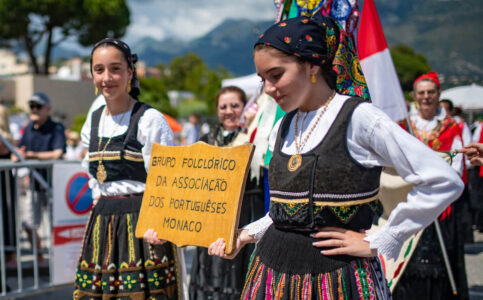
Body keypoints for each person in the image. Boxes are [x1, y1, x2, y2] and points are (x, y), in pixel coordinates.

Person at [207, 13, 463, 299]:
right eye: (262, 79)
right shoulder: (283, 126)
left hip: (338, 277)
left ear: (311, 65)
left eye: (276, 75)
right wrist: (245, 235)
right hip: (272, 274)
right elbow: (286, 212)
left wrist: (383, 238)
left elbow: (443, 180)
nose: (267, 89)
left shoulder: (359, 118)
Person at [73, 38, 183, 299]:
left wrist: (161, 224)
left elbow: (167, 181)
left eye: (115, 69)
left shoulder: (150, 119)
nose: (106, 77)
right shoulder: (94, 119)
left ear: (130, 73)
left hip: (143, 224)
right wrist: (98, 194)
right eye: (99, 70)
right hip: (102, 222)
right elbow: (91, 172)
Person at [393, 72, 469, 299]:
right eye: (421, 93)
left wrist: (432, 182)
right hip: (409, 202)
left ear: (438, 95)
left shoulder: (450, 128)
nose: (426, 97)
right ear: (415, 96)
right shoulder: (404, 126)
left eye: (431, 92)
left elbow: (456, 168)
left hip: (439, 206)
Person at [188, 86, 265, 299]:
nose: (229, 111)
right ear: (217, 110)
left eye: (235, 106)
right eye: (223, 107)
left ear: (245, 107)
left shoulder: (256, 136)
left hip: (247, 210)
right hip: (213, 214)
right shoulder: (206, 139)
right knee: (212, 265)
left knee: (242, 267)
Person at [12, 92, 66, 265]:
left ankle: (58, 263)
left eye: (38, 106)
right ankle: (41, 256)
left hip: (53, 184)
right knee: (28, 224)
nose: (34, 110)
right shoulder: (28, 128)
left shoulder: (56, 127)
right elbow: (20, 150)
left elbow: (57, 153)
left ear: (47, 109)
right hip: (35, 184)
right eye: (32, 106)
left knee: (55, 226)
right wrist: (18, 155)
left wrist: (32, 155)